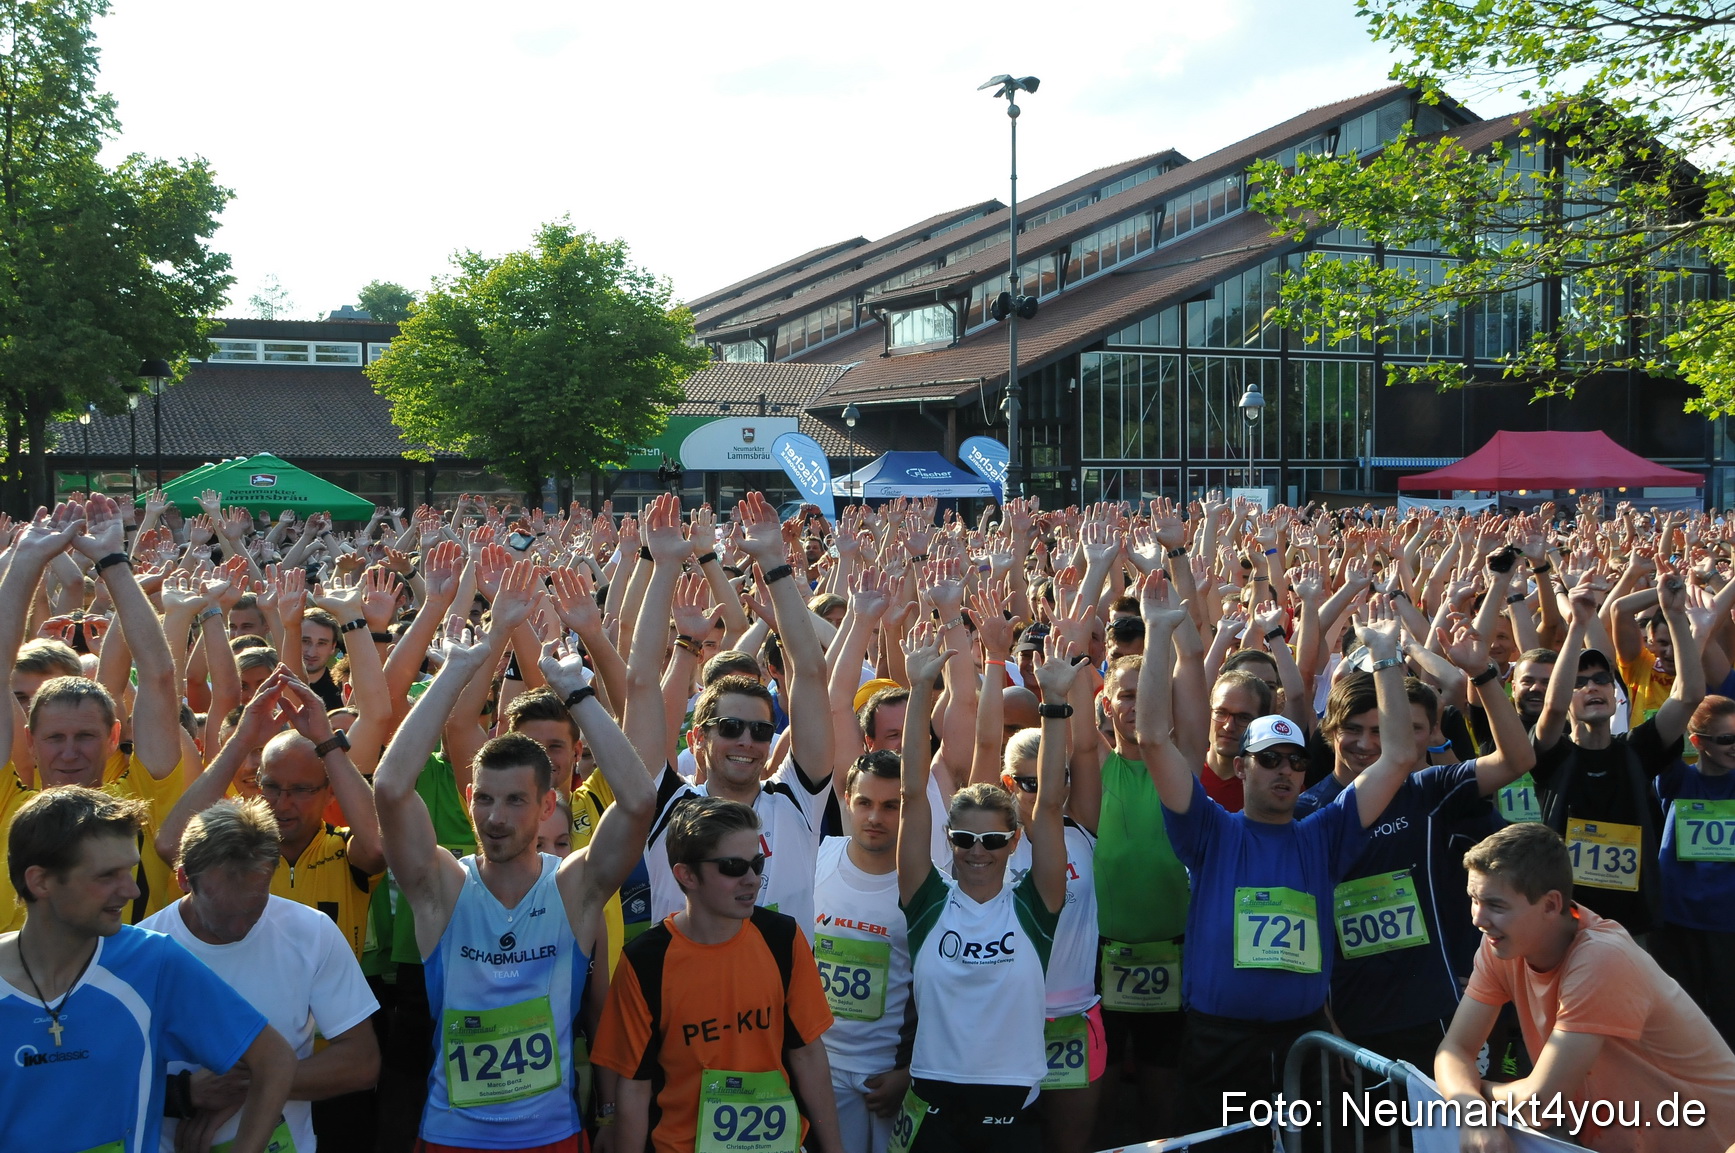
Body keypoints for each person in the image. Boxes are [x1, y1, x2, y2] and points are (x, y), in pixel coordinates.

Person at [1136, 574, 1419, 1152]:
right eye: (1269, 759)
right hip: (1219, 1047)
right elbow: (1152, 739)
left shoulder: (1324, 834)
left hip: (1303, 1045)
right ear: (1242, 768)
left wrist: (1387, 659)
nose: (1285, 770)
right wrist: (1158, 634)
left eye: (1294, 760)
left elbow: (1396, 756)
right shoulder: (1210, 830)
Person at [373, 618, 655, 1152]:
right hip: (451, 1137)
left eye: (515, 800)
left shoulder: (572, 888)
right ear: (469, 799)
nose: (495, 818)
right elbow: (389, 787)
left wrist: (575, 691)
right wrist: (455, 671)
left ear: (548, 805)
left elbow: (639, 801)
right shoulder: (442, 888)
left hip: (551, 1136)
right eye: (484, 799)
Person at [1295, 605, 1535, 1073]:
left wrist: (1482, 675)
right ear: (1329, 731)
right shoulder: (1308, 812)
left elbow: (1517, 760)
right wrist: (1327, 1021)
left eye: (1377, 731)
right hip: (1352, 1016)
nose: (1365, 744)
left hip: (1432, 1009)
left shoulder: (1423, 790)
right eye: (1352, 730)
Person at [1, 786, 297, 1153]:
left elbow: (275, 1060)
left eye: (129, 871)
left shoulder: (153, 961)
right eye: (107, 875)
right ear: (40, 881)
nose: (132, 891)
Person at [1435, 822, 1735, 1153]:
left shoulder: (1600, 957)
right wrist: (1474, 1113)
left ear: (1551, 904)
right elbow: (1454, 1050)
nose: (1478, 919)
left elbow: (1540, 1105)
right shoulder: (1501, 944)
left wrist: (1479, 1091)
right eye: (1474, 899)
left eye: (1496, 905)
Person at [892, 623, 1067, 1153]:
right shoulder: (927, 900)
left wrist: (1054, 703)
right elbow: (912, 794)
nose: (977, 851)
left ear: (1013, 841)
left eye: (992, 840)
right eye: (964, 839)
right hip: (932, 1099)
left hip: (1011, 1102)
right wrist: (919, 691)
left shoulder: (1035, 905)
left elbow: (1050, 805)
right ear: (949, 839)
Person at [594, 795, 844, 1153]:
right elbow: (634, 1086)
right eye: (732, 867)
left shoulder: (782, 938)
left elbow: (808, 1055)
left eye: (757, 863)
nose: (752, 879)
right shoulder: (645, 961)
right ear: (686, 875)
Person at [140, 796, 380, 1153]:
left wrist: (244, 1085)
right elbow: (94, 1081)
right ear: (183, 879)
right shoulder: (142, 952)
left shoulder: (312, 933)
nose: (240, 928)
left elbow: (361, 1063)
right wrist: (180, 1094)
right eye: (224, 913)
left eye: (254, 907)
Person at [1532, 569, 1702, 938]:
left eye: (1601, 679)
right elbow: (1553, 709)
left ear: (1615, 693)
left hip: (1632, 923)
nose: (1592, 687)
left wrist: (1675, 617)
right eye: (1579, 682)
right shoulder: (1552, 754)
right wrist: (1578, 625)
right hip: (1565, 923)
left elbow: (1689, 695)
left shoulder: (1638, 749)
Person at [814, 749, 914, 1153]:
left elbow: (946, 997)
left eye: (891, 806)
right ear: (846, 800)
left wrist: (910, 1073)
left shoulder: (928, 887)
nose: (875, 817)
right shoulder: (815, 859)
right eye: (865, 803)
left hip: (888, 1076)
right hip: (821, 1068)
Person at [1651, 694, 1735, 1046]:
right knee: (1685, 1019)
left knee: (1729, 1019)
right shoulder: (1676, 780)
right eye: (1726, 739)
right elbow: (1663, 736)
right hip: (1678, 920)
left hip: (1727, 923)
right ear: (1698, 742)